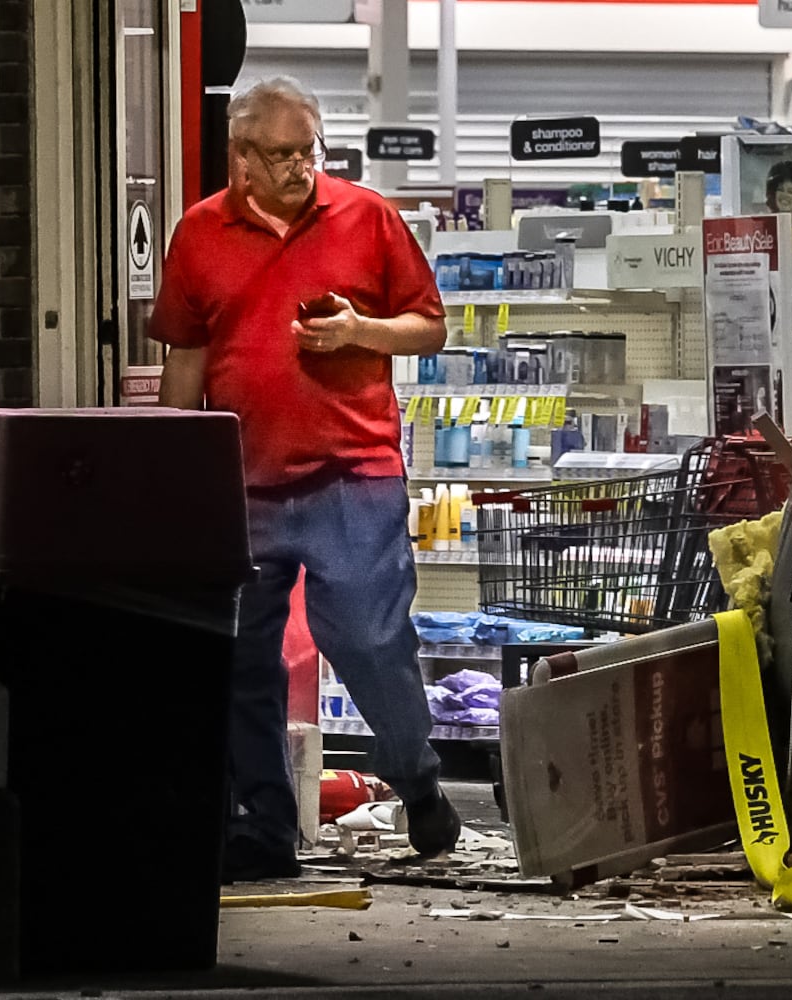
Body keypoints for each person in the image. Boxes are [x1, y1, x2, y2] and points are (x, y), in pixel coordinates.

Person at [150, 77, 460, 882]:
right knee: (241, 655)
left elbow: (429, 326)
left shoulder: (368, 218)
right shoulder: (199, 232)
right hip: (241, 482)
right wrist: (173, 469)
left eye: (309, 151)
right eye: (282, 154)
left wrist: (360, 330)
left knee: (365, 636)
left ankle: (415, 774)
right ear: (240, 157)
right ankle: (261, 822)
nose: (300, 168)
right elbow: (185, 353)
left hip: (351, 472)